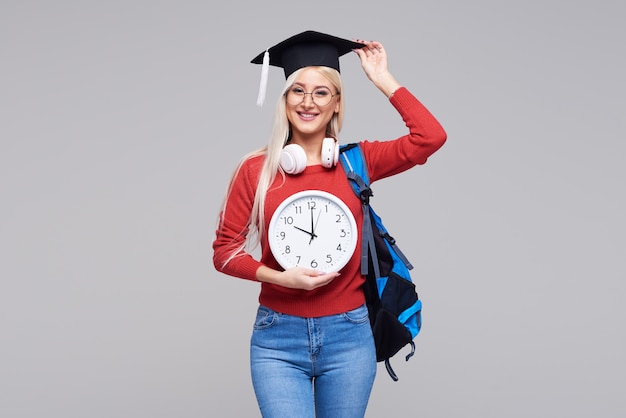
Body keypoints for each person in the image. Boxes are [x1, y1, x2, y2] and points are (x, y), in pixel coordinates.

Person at [212, 30, 446, 418]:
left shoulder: (358, 163)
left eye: (321, 92)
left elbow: (430, 137)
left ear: (336, 103)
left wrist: (382, 79)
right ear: (284, 100)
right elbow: (223, 253)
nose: (308, 102)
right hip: (277, 338)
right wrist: (281, 278)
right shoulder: (256, 170)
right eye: (297, 91)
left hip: (349, 337)